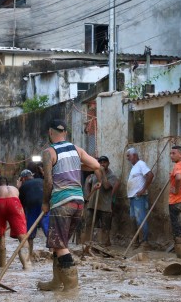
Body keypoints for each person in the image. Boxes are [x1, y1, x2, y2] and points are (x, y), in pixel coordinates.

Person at [38, 118, 102, 291]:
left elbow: (48, 182)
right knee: (60, 244)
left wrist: (45, 202)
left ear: (50, 133)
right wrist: (74, 164)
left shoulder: (48, 152)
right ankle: (55, 282)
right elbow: (96, 165)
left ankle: (71, 286)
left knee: (59, 245)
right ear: (65, 133)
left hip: (61, 202)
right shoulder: (77, 150)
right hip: (78, 202)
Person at [0, 176, 30, 270]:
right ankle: (26, 265)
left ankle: (2, 265)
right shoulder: (15, 189)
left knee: (1, 235)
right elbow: (20, 204)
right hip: (15, 204)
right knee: (22, 236)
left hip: (0, 204)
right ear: (7, 184)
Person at [83, 155, 120, 247]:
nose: (102, 164)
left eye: (104, 162)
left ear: (108, 163)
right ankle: (87, 244)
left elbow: (106, 186)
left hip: (105, 205)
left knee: (105, 227)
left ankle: (105, 245)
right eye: (101, 162)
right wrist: (88, 196)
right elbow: (88, 182)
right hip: (93, 204)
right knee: (89, 224)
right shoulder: (94, 174)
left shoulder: (112, 176)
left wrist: (103, 173)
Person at [125, 147, 154, 248]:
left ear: (135, 155)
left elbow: (150, 175)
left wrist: (143, 190)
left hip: (139, 197)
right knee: (133, 219)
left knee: (141, 219)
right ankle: (136, 242)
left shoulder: (141, 164)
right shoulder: (134, 167)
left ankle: (145, 242)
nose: (127, 158)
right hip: (133, 198)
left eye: (128, 156)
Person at [18, 166, 49, 261]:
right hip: (45, 205)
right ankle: (55, 253)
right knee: (49, 230)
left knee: (30, 232)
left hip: (31, 206)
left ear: (23, 179)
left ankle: (29, 256)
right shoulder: (41, 180)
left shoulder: (23, 186)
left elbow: (21, 205)